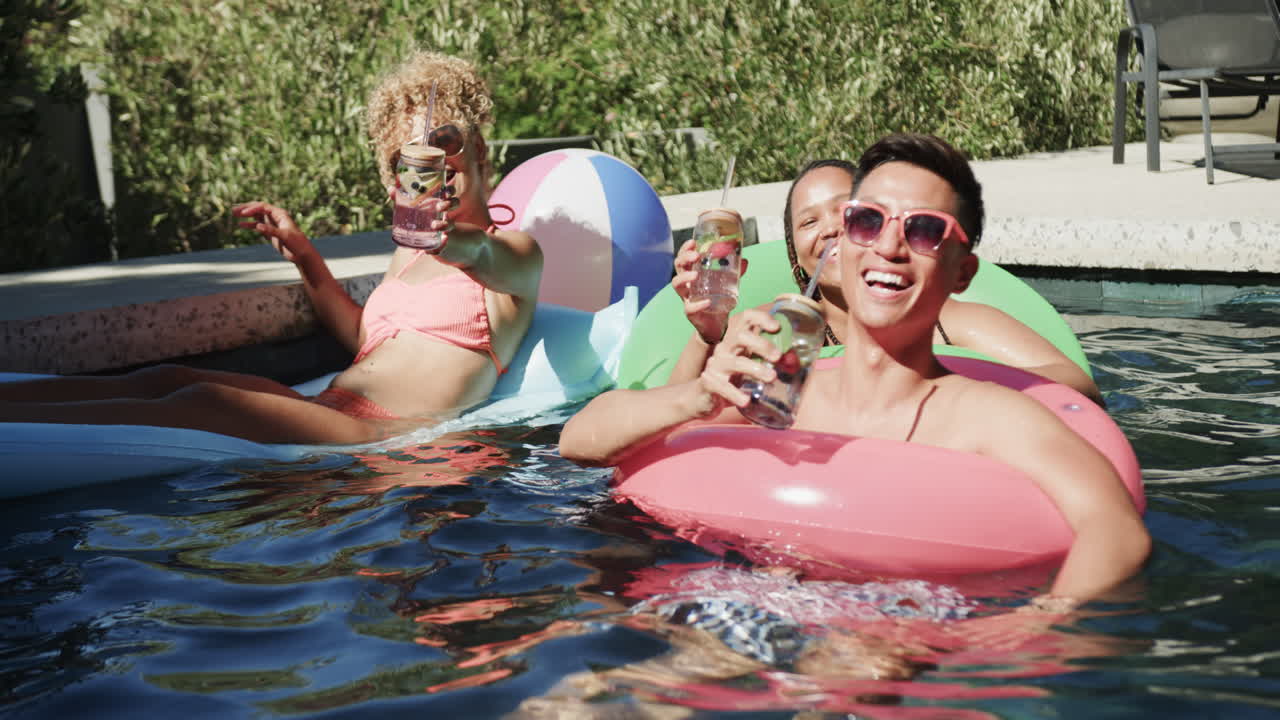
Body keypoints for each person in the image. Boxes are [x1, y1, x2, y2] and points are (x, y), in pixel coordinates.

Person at [560, 132, 1149, 610]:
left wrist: (1020, 635)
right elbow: (579, 441)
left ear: (962, 271)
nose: (888, 246)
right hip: (733, 603)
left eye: (923, 230)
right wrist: (698, 393)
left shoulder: (990, 415)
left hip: (900, 634)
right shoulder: (783, 384)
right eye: (867, 221)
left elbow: (1114, 529)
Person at [0, 51, 543, 445]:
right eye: (414, 166)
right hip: (327, 405)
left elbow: (479, 256)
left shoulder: (514, 254)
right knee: (168, 378)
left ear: (482, 159)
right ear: (393, 179)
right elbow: (365, 339)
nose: (436, 175)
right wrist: (305, 256)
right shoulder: (408, 256)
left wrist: (447, 234)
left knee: (201, 402)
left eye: (448, 157)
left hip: (376, 434)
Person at [668, 158, 1104, 405]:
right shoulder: (778, 324)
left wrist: (934, 388)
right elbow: (672, 412)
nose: (830, 229)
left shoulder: (944, 319)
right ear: (796, 258)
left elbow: (1074, 383)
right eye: (808, 222)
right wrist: (708, 332)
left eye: (846, 213)